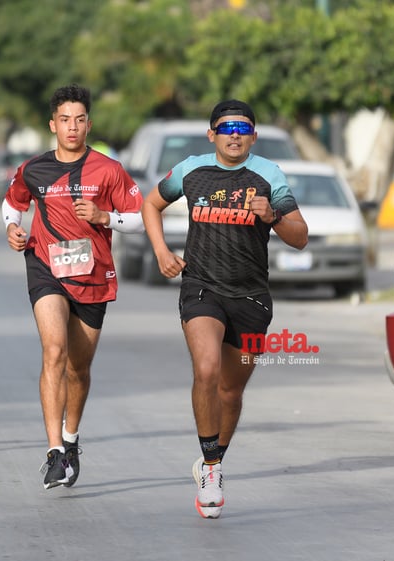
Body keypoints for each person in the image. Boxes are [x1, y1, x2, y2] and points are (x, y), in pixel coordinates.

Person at [141, 99, 308, 519]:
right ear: (212, 133)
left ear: (252, 136)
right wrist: (162, 251)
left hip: (252, 297)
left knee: (231, 392)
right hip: (201, 287)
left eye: (243, 128)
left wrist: (272, 216)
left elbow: (301, 236)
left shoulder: (269, 175)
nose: (235, 134)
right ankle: (211, 470)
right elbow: (151, 204)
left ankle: (212, 460)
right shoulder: (190, 170)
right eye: (226, 127)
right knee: (207, 370)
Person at [2, 84, 144, 489]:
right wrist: (13, 227)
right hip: (46, 265)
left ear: (89, 124)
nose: (72, 127)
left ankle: (70, 439)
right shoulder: (34, 168)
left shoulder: (108, 169)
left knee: (78, 368)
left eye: (79, 120)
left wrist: (104, 216)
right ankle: (53, 453)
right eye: (65, 119)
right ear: (53, 124)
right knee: (54, 351)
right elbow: (12, 204)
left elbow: (137, 216)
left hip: (92, 274)